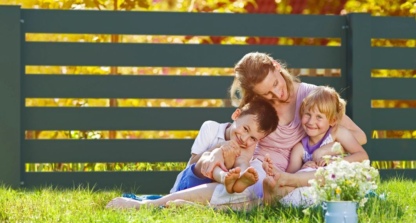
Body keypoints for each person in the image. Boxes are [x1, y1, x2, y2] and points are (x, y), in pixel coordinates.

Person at [106, 52, 366, 210]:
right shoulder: (259, 106)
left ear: (277, 66)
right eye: (268, 92)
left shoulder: (311, 97)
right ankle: (149, 206)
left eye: (276, 83)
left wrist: (327, 148)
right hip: (257, 167)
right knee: (244, 185)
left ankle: (190, 207)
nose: (278, 93)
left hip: (287, 176)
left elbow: (360, 138)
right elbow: (239, 134)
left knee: (257, 190)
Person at [262, 86, 369, 205]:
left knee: (326, 173)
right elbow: (290, 174)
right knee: (293, 186)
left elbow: (362, 156)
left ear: (332, 121)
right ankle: (272, 194)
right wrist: (303, 168)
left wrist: (336, 164)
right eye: (307, 114)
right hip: (314, 185)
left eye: (319, 117)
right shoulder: (299, 148)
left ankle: (277, 185)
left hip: (338, 180)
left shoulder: (338, 133)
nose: (311, 121)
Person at [173, 98, 279, 194]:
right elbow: (193, 162)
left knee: (242, 162)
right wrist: (220, 147)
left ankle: (241, 179)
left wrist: (242, 164)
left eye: (253, 138)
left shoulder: (248, 147)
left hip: (211, 193)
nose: (244, 139)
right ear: (236, 115)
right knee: (207, 156)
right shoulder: (211, 128)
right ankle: (224, 177)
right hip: (187, 185)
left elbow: (242, 162)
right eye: (245, 129)